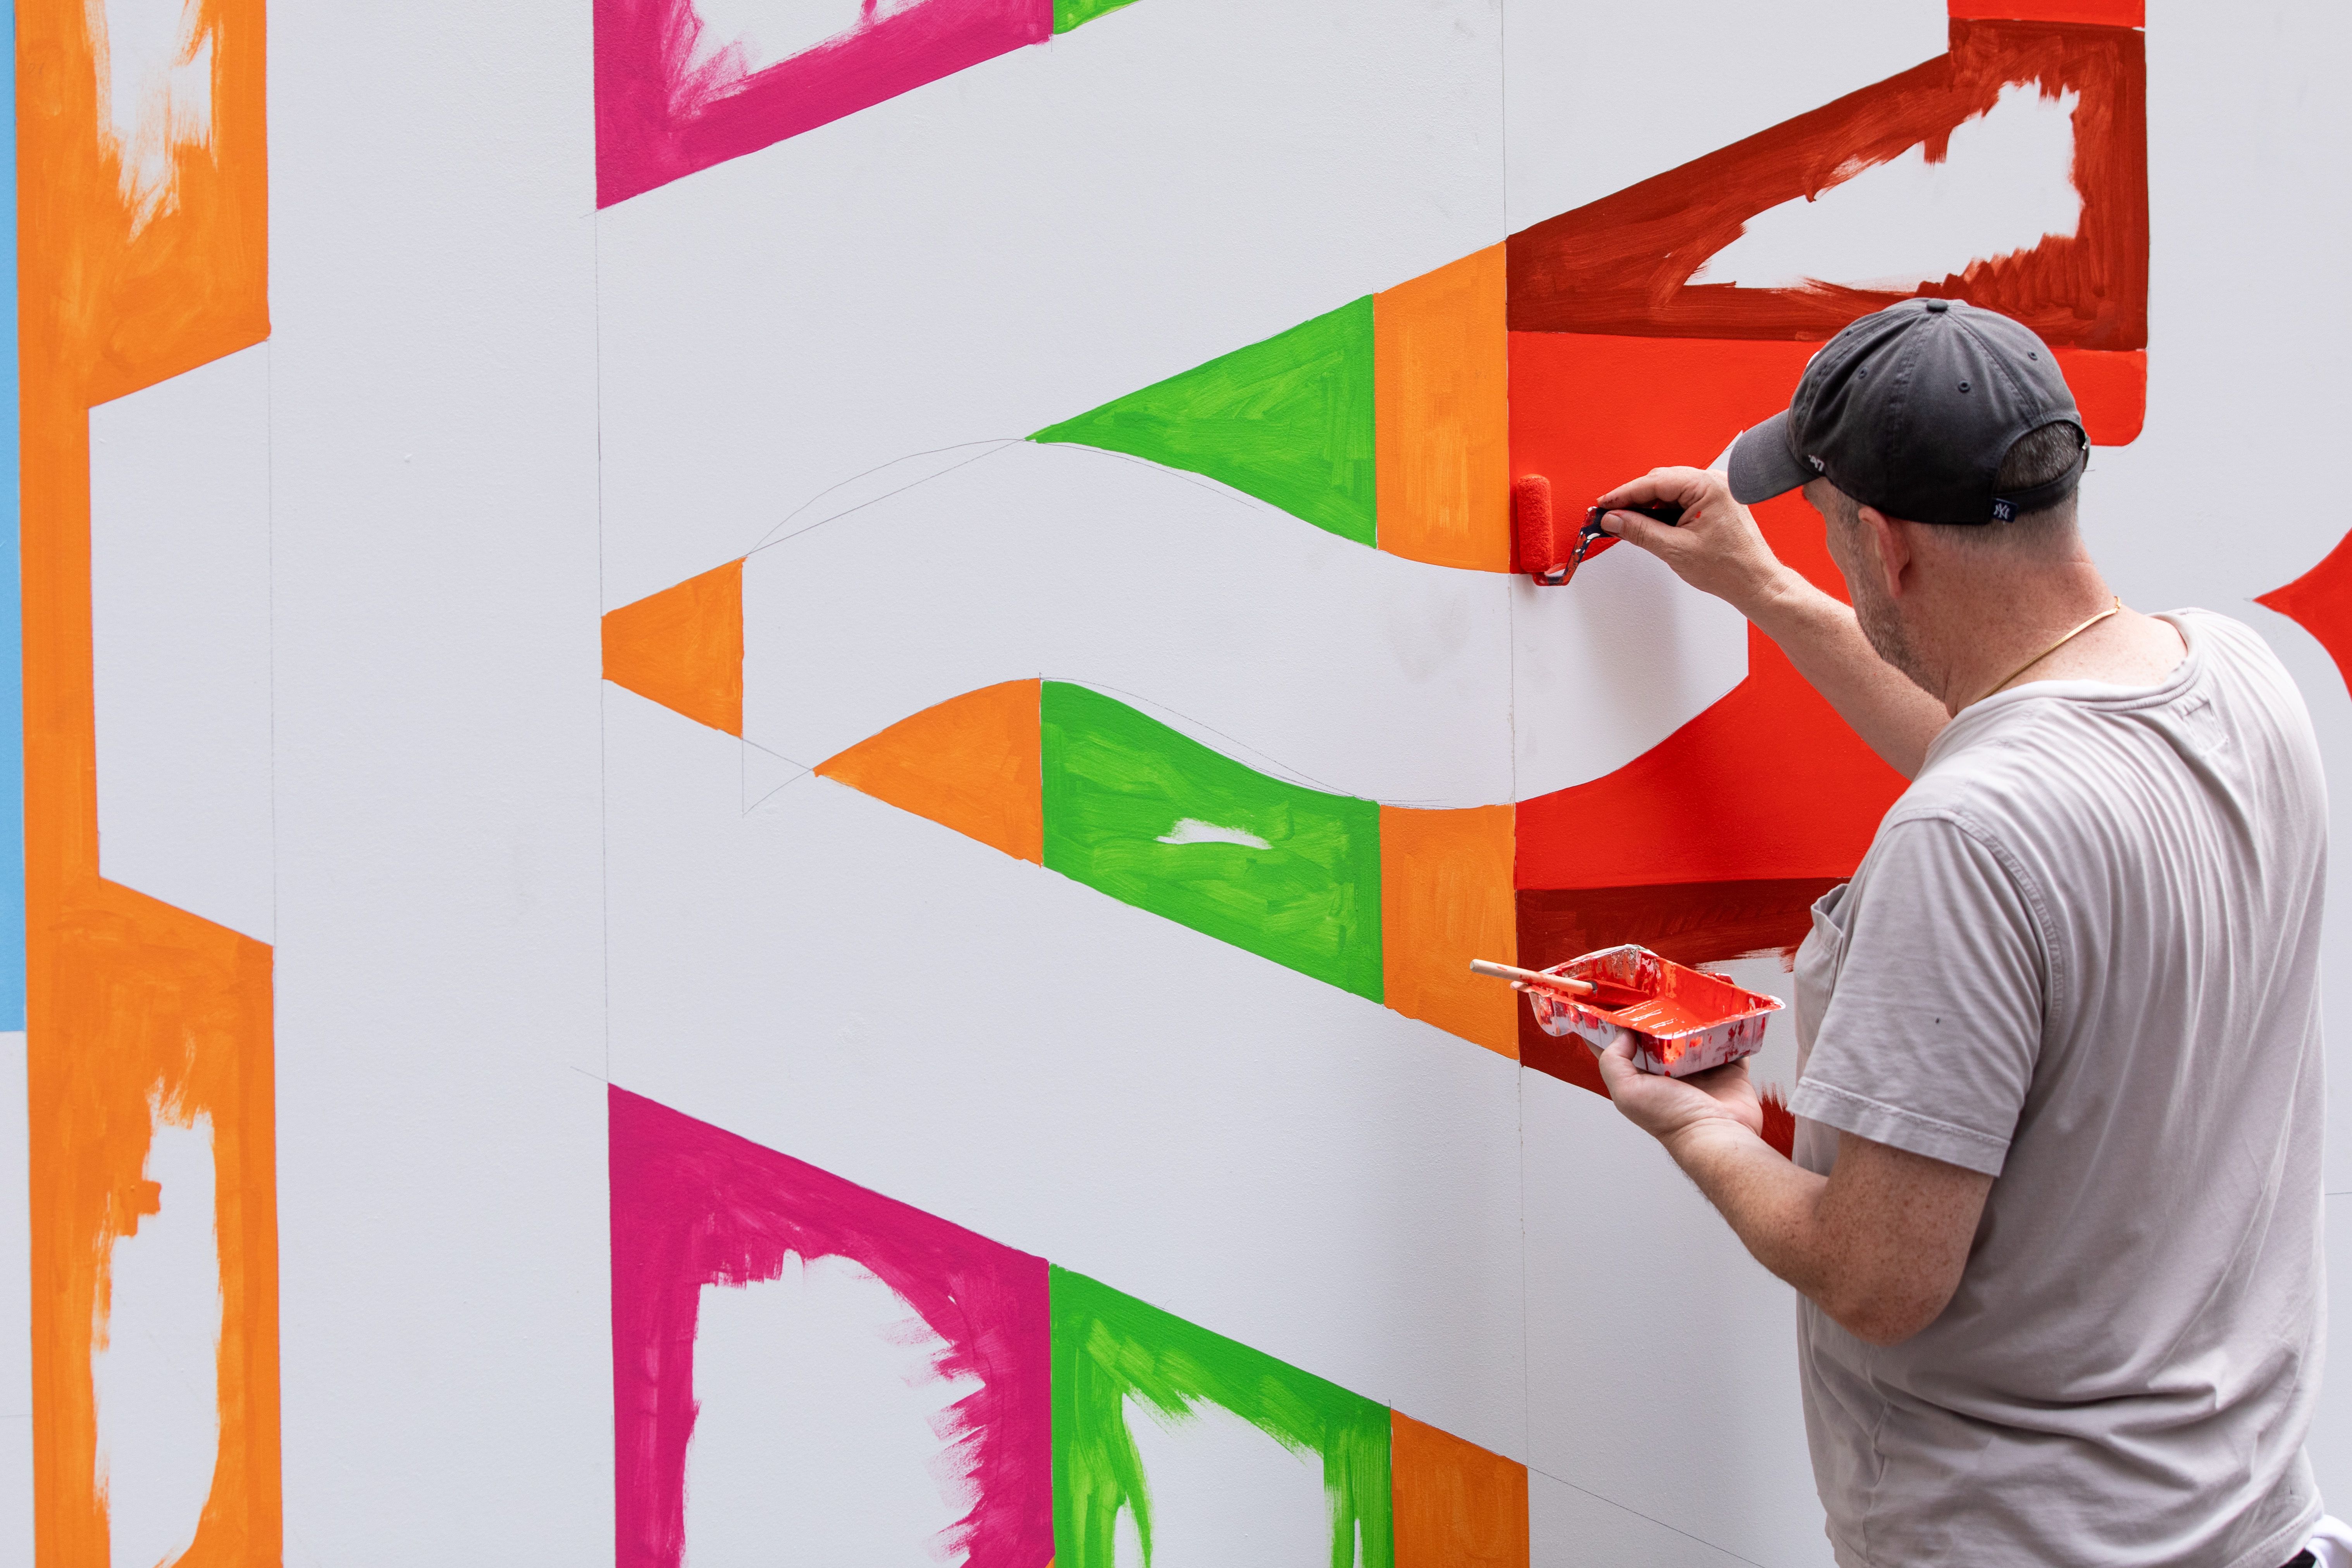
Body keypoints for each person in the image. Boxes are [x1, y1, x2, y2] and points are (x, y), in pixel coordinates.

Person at [1584, 296, 2338, 1568]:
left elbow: (1883, 1279)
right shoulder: (2240, 680)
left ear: (1884, 541)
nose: (1826, 555)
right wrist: (1764, 590)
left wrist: (1701, 1127)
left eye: (1823, 533)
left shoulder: (1968, 843)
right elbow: (2017, 772)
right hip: (2247, 1524)